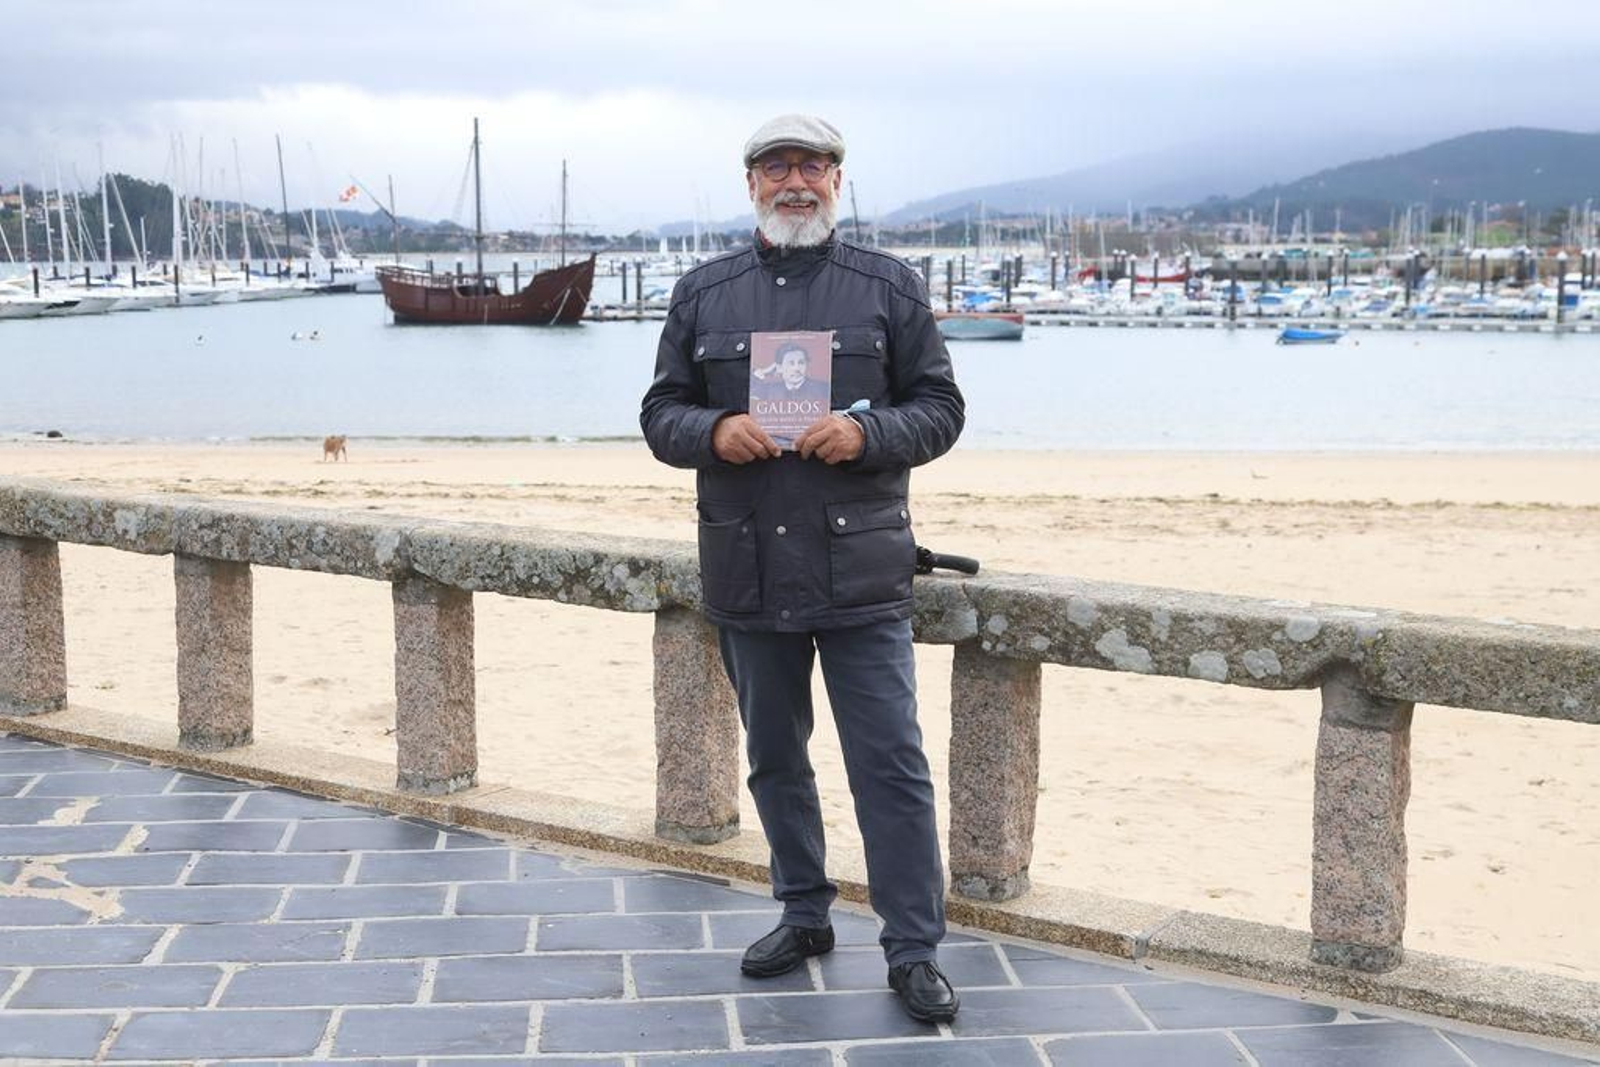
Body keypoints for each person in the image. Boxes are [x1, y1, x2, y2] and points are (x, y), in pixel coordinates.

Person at [639, 114, 965, 1023]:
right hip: (746, 567)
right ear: (750, 185)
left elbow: (941, 408)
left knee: (889, 765)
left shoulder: (888, 288)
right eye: (776, 166)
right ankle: (804, 912)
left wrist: (869, 432)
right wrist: (711, 429)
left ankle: (912, 948)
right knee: (775, 757)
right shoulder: (703, 292)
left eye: (811, 166)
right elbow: (660, 411)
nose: (794, 181)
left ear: (837, 178)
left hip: (862, 573)